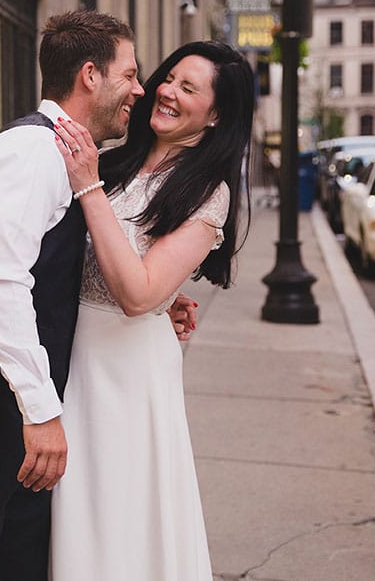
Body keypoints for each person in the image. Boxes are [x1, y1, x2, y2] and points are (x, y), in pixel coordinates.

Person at [0, 10, 148, 580]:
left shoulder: (65, 155)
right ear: (90, 75)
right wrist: (41, 413)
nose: (139, 89)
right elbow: (0, 286)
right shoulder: (31, 153)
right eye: (129, 74)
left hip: (9, 405)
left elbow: (52, 272)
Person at [49, 40, 255, 580]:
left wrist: (89, 189)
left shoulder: (207, 193)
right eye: (168, 78)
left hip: (129, 375)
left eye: (189, 88)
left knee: (120, 518)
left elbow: (138, 294)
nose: (167, 92)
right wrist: (165, 298)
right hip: (70, 357)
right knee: (72, 515)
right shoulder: (114, 161)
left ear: (216, 116)